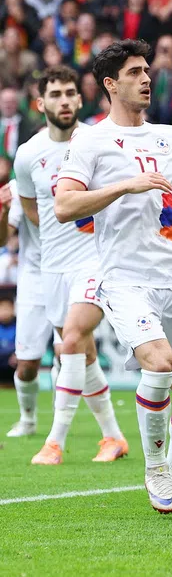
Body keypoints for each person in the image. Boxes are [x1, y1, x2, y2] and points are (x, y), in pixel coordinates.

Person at [55, 39, 172, 515]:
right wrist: (124, 185)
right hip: (124, 279)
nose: (146, 78)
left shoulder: (171, 139)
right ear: (111, 84)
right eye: (135, 72)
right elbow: (64, 206)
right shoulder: (90, 140)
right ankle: (154, 469)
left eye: (147, 70)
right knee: (158, 363)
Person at [13, 66, 129, 464]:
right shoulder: (27, 154)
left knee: (71, 341)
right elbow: (32, 210)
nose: (64, 101)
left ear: (80, 100)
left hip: (95, 258)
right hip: (53, 265)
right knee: (82, 351)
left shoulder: (98, 140)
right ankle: (112, 437)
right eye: (56, 94)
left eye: (70, 93)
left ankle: (54, 442)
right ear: (40, 103)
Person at [0, 187, 59, 438]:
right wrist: (3, 212)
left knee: (68, 352)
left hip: (73, 275)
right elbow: (3, 239)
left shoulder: (81, 169)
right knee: (26, 364)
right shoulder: (17, 187)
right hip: (33, 281)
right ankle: (28, 419)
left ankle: (60, 426)